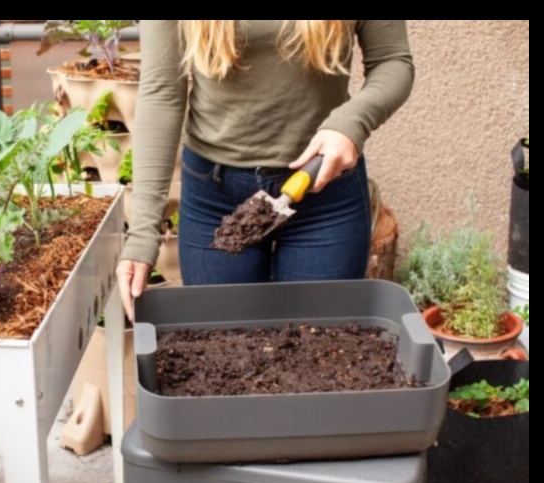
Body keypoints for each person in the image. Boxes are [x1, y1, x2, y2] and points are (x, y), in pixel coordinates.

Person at [117, 20, 415, 320]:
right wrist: (142, 232)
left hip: (323, 195)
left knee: (319, 354)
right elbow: (162, 92)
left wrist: (352, 123)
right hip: (215, 198)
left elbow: (393, 62)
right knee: (223, 352)